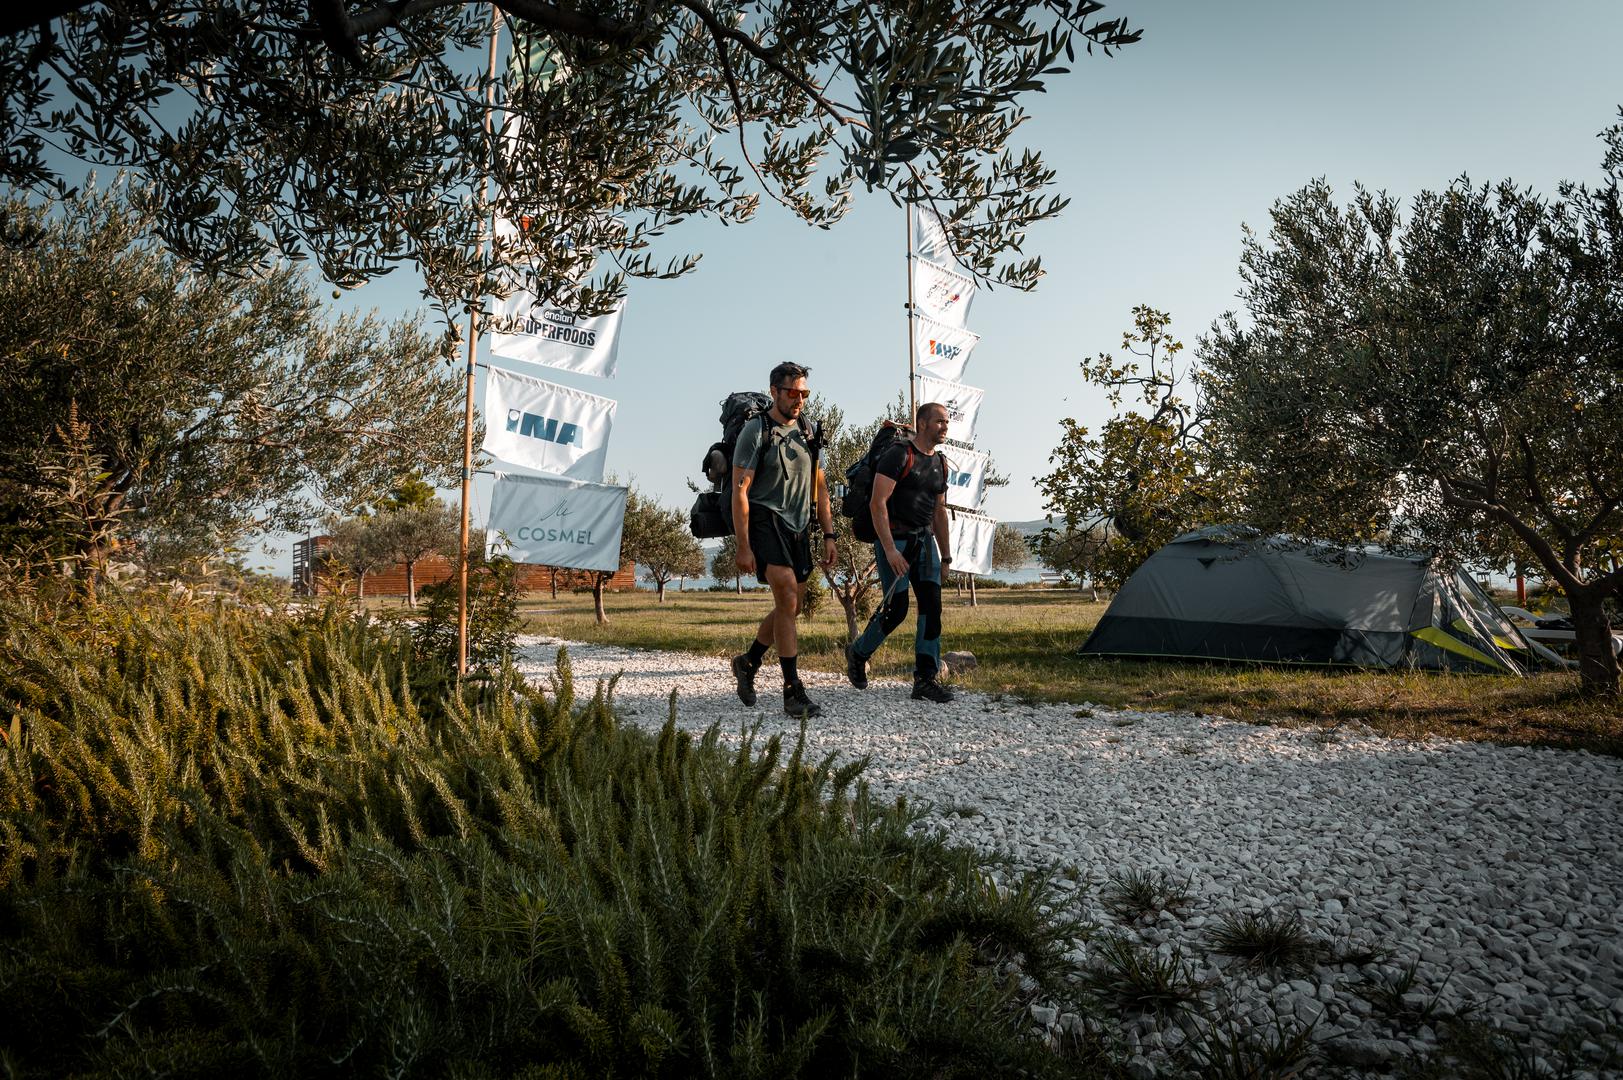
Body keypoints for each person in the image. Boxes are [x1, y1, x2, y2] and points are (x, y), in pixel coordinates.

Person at [731, 362, 838, 716]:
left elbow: (820, 487)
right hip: (766, 519)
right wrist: (743, 545)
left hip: (800, 525)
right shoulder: (756, 430)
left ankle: (748, 661)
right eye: (792, 392)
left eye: (804, 393)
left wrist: (829, 534)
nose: (799, 399)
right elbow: (740, 491)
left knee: (790, 607)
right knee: (788, 594)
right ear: (774, 391)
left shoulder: (809, 431)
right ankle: (792, 691)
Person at [844, 401, 954, 702]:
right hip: (895, 541)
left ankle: (925, 679)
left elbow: (939, 512)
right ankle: (858, 653)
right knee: (897, 609)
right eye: (939, 421)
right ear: (922, 423)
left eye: (946, 422)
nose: (945, 427)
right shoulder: (899, 455)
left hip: (925, 543)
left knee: (932, 608)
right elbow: (877, 503)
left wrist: (946, 556)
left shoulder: (940, 463)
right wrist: (891, 550)